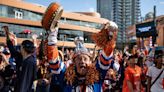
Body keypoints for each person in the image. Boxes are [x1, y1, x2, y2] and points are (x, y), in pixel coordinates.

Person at [46, 21, 118, 92]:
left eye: (85, 59)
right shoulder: (67, 77)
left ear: (90, 62)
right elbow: (54, 63)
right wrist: (52, 35)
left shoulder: (97, 75)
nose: (82, 61)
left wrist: (110, 36)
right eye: (79, 59)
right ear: (74, 62)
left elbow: (105, 60)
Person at [2, 26, 37, 92]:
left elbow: (26, 81)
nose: (19, 48)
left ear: (23, 48)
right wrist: (7, 34)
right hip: (18, 88)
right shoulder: (20, 57)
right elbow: (11, 48)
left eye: (21, 46)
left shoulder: (30, 62)